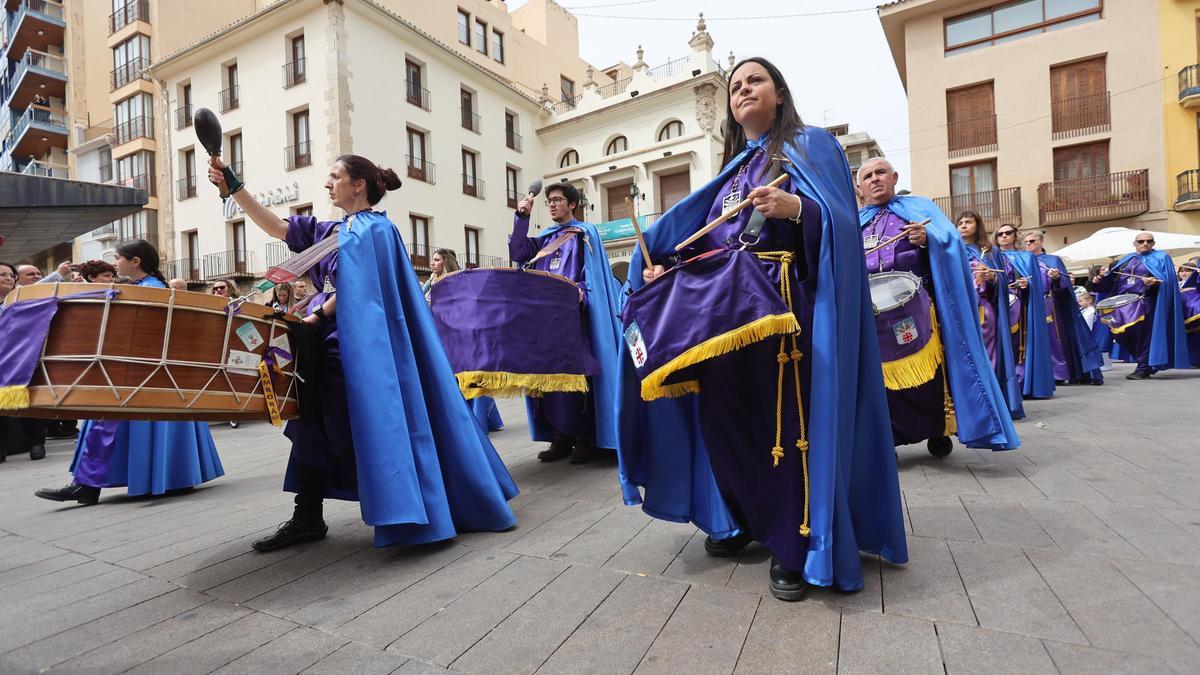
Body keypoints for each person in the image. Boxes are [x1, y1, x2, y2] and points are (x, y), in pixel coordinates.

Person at [621, 57, 907, 601]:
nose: (743, 89)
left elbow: (843, 228)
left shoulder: (812, 145)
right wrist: (665, 268)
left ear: (779, 91)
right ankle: (748, 518)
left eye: (754, 80)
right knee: (726, 425)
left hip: (783, 312)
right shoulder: (731, 173)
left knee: (783, 432)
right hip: (725, 319)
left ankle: (793, 545)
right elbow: (705, 246)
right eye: (735, 86)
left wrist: (796, 206)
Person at [208, 153, 517, 552]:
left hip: (359, 351)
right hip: (331, 346)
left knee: (352, 425)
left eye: (335, 176)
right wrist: (236, 188)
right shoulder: (335, 230)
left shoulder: (374, 229)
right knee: (312, 425)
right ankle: (309, 516)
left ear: (358, 185)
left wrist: (317, 313)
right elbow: (278, 227)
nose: (327, 183)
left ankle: (400, 507)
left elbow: (359, 290)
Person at [34, 240, 225, 505]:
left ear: (135, 262)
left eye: (117, 257)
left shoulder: (152, 290)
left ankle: (87, 486)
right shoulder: (144, 288)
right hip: (137, 371)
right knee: (100, 423)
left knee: (103, 423)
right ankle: (89, 484)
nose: (114, 263)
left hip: (139, 373)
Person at [855, 160, 1018, 458]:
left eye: (881, 173)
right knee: (880, 381)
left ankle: (936, 431)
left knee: (931, 375)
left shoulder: (919, 209)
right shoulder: (854, 221)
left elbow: (951, 245)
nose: (875, 179)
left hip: (919, 310)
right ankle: (890, 435)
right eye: (867, 176)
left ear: (894, 177)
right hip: (874, 316)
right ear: (859, 187)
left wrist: (927, 241)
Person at [509, 182, 623, 464]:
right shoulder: (545, 238)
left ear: (572, 204)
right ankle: (560, 437)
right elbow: (519, 252)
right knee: (549, 380)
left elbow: (593, 275)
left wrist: (581, 290)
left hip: (574, 316)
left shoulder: (584, 234)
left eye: (558, 200)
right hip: (545, 321)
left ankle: (585, 438)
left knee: (577, 377)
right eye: (549, 201)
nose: (551, 204)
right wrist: (522, 217)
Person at [422, 248, 504, 433]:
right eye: (432, 260)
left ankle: (474, 418)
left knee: (464, 375)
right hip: (438, 334)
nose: (432, 263)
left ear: (446, 262)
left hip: (456, 336)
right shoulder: (430, 281)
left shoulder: (455, 282)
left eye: (436, 260)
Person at [1091, 233, 1190, 379]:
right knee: (1119, 334)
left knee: (1144, 336)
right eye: (1141, 241)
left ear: (1153, 243)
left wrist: (1153, 284)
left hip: (1146, 301)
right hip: (1121, 304)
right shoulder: (1126, 259)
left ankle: (1143, 368)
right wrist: (1098, 281)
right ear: (1134, 243)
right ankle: (1146, 362)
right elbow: (1111, 281)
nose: (1145, 244)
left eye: (1149, 241)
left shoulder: (1161, 258)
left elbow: (1167, 283)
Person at [955, 211, 1024, 419]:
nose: (964, 225)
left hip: (984, 311)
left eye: (969, 222)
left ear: (978, 225)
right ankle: (969, 403)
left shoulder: (990, 252)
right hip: (960, 310)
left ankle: (991, 401)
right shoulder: (951, 251)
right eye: (960, 223)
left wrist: (992, 277)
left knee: (987, 356)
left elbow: (1004, 283)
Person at [1023, 231, 1103, 385]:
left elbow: (1064, 284)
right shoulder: (1023, 260)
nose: (1028, 244)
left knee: (1055, 339)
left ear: (1041, 242)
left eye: (1032, 241)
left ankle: (1059, 373)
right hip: (1029, 304)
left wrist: (1056, 278)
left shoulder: (1053, 260)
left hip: (1050, 304)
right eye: (1026, 242)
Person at [988, 224, 1055, 399]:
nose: (1004, 236)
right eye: (1000, 233)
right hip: (995, 306)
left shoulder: (1026, 257)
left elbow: (1037, 285)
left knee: (1019, 346)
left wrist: (1027, 286)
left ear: (1015, 235)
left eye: (1008, 232)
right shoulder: (989, 256)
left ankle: (1020, 383)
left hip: (1019, 308)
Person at [0, 261, 48, 463]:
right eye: (2, 275)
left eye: (10, 275)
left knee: (29, 400)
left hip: (24, 357)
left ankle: (36, 443)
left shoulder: (26, 299)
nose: (8, 278)